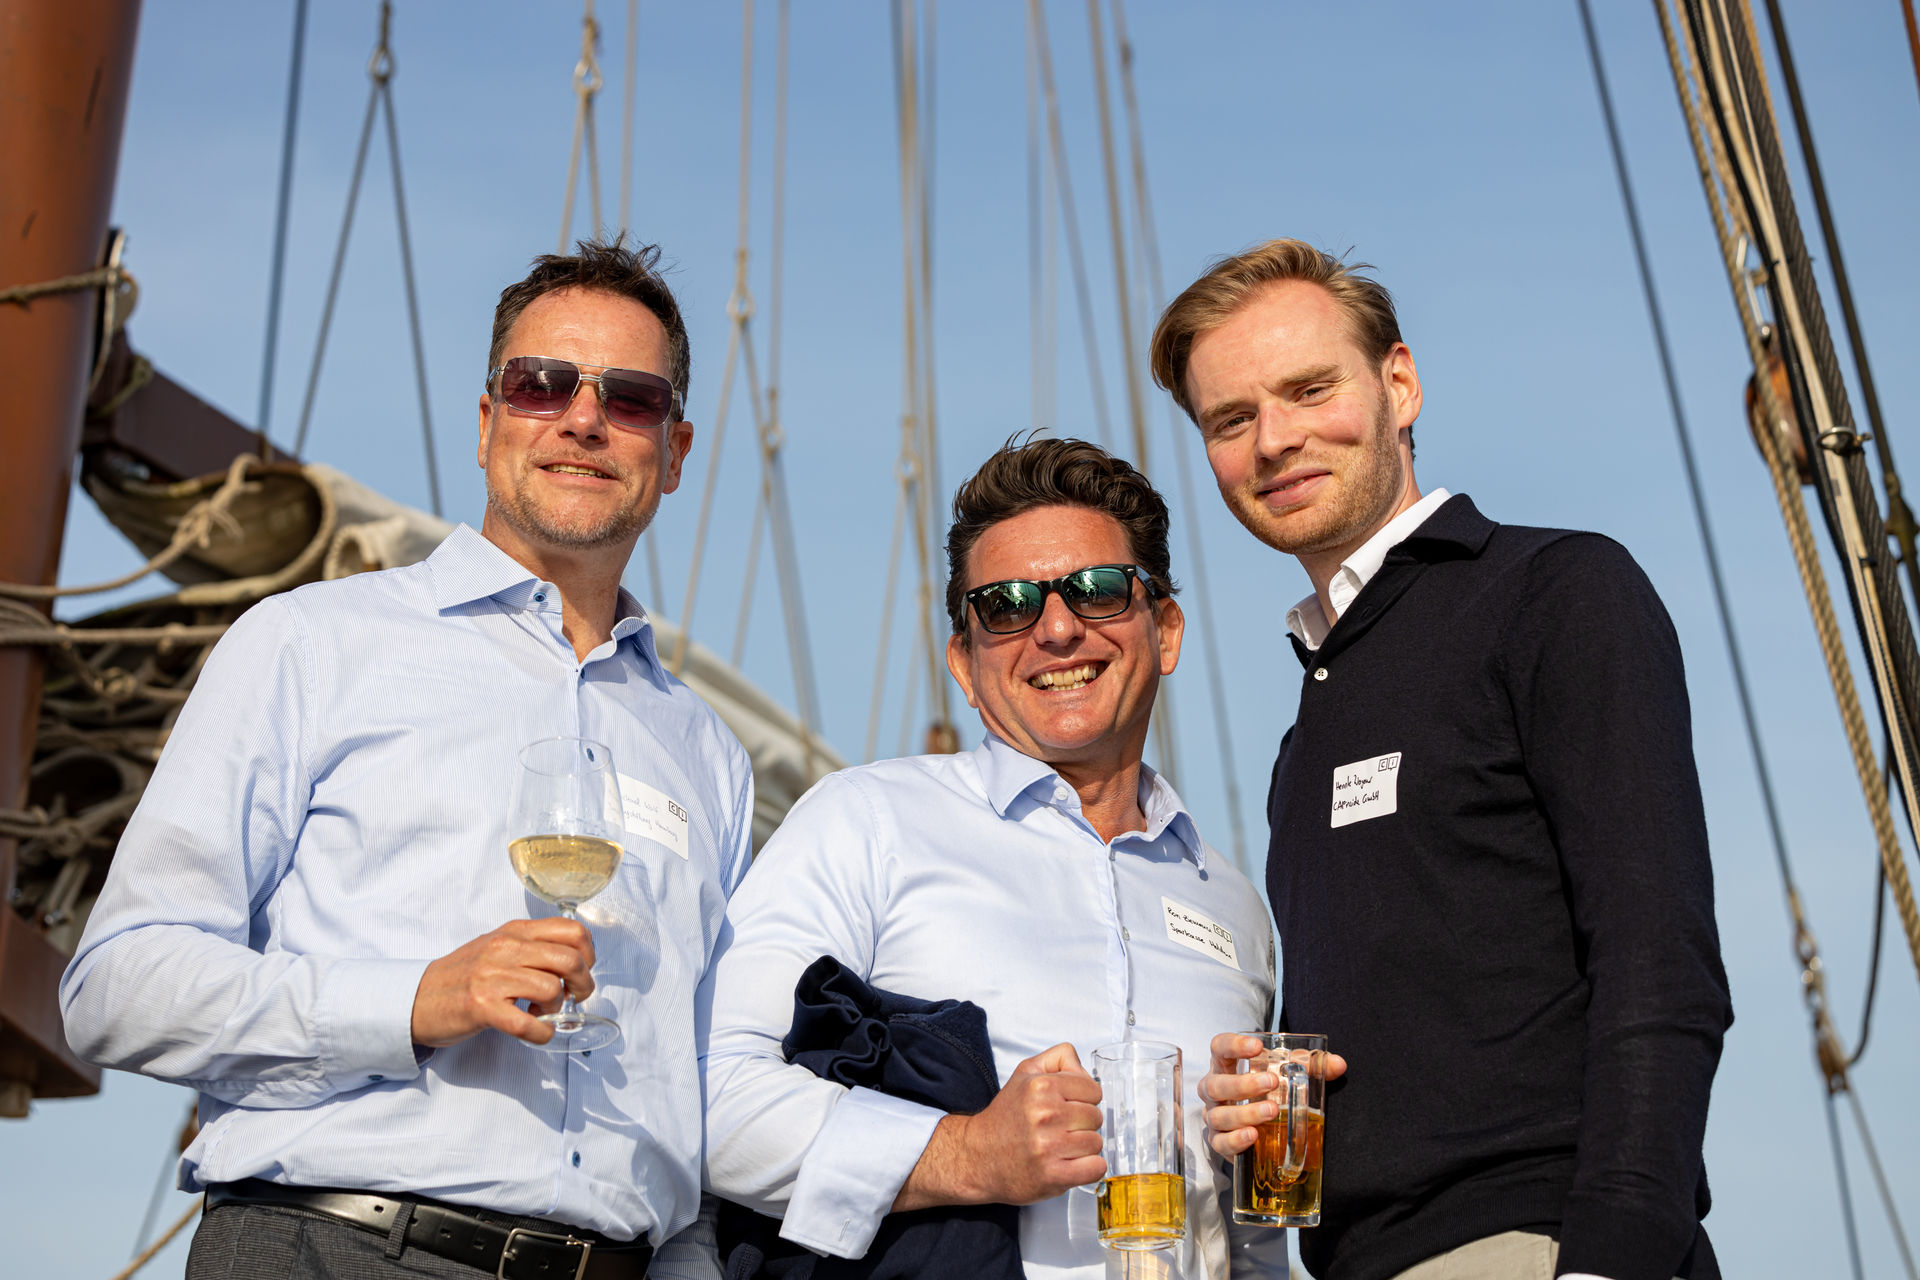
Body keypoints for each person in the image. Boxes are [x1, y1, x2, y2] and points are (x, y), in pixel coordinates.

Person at [61, 237, 754, 1280]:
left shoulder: (709, 756)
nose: (582, 418)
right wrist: (414, 1000)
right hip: (331, 1245)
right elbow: (118, 986)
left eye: (630, 398)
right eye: (541, 384)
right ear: (487, 422)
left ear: (676, 446)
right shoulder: (310, 645)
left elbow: (698, 1090)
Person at [1147, 239, 1733, 1280]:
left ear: (1400, 386)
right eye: (1231, 420)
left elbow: (1660, 962)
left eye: (1309, 390)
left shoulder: (1555, 593)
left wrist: (1612, 1258)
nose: (1274, 439)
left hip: (1538, 1243)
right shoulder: (1306, 738)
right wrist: (1261, 1111)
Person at [698, 438, 1288, 1280]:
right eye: (1007, 605)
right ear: (964, 666)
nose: (1057, 628)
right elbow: (711, 1093)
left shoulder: (1233, 907)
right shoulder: (868, 822)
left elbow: (1250, 1241)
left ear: (1164, 630)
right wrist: (967, 1154)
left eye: (1097, 590)